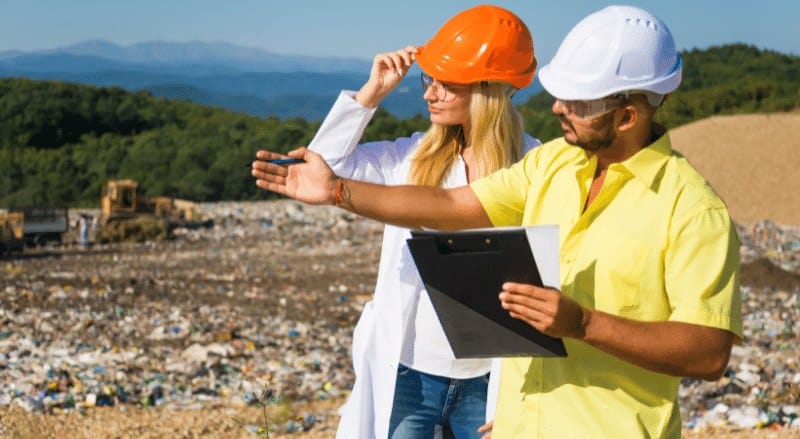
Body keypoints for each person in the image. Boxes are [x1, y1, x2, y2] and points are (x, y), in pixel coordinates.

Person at [253, 5, 744, 438]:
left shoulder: (693, 210)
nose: (556, 108)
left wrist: (583, 323)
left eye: (576, 102)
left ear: (627, 117)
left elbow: (707, 353)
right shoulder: (552, 165)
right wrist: (338, 191)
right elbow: (451, 208)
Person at [281, 5, 540, 438]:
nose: (429, 93)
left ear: (488, 87)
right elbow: (323, 166)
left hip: (491, 383)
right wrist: (371, 93)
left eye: (445, 82)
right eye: (428, 79)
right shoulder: (412, 156)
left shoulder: (537, 166)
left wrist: (520, 398)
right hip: (409, 377)